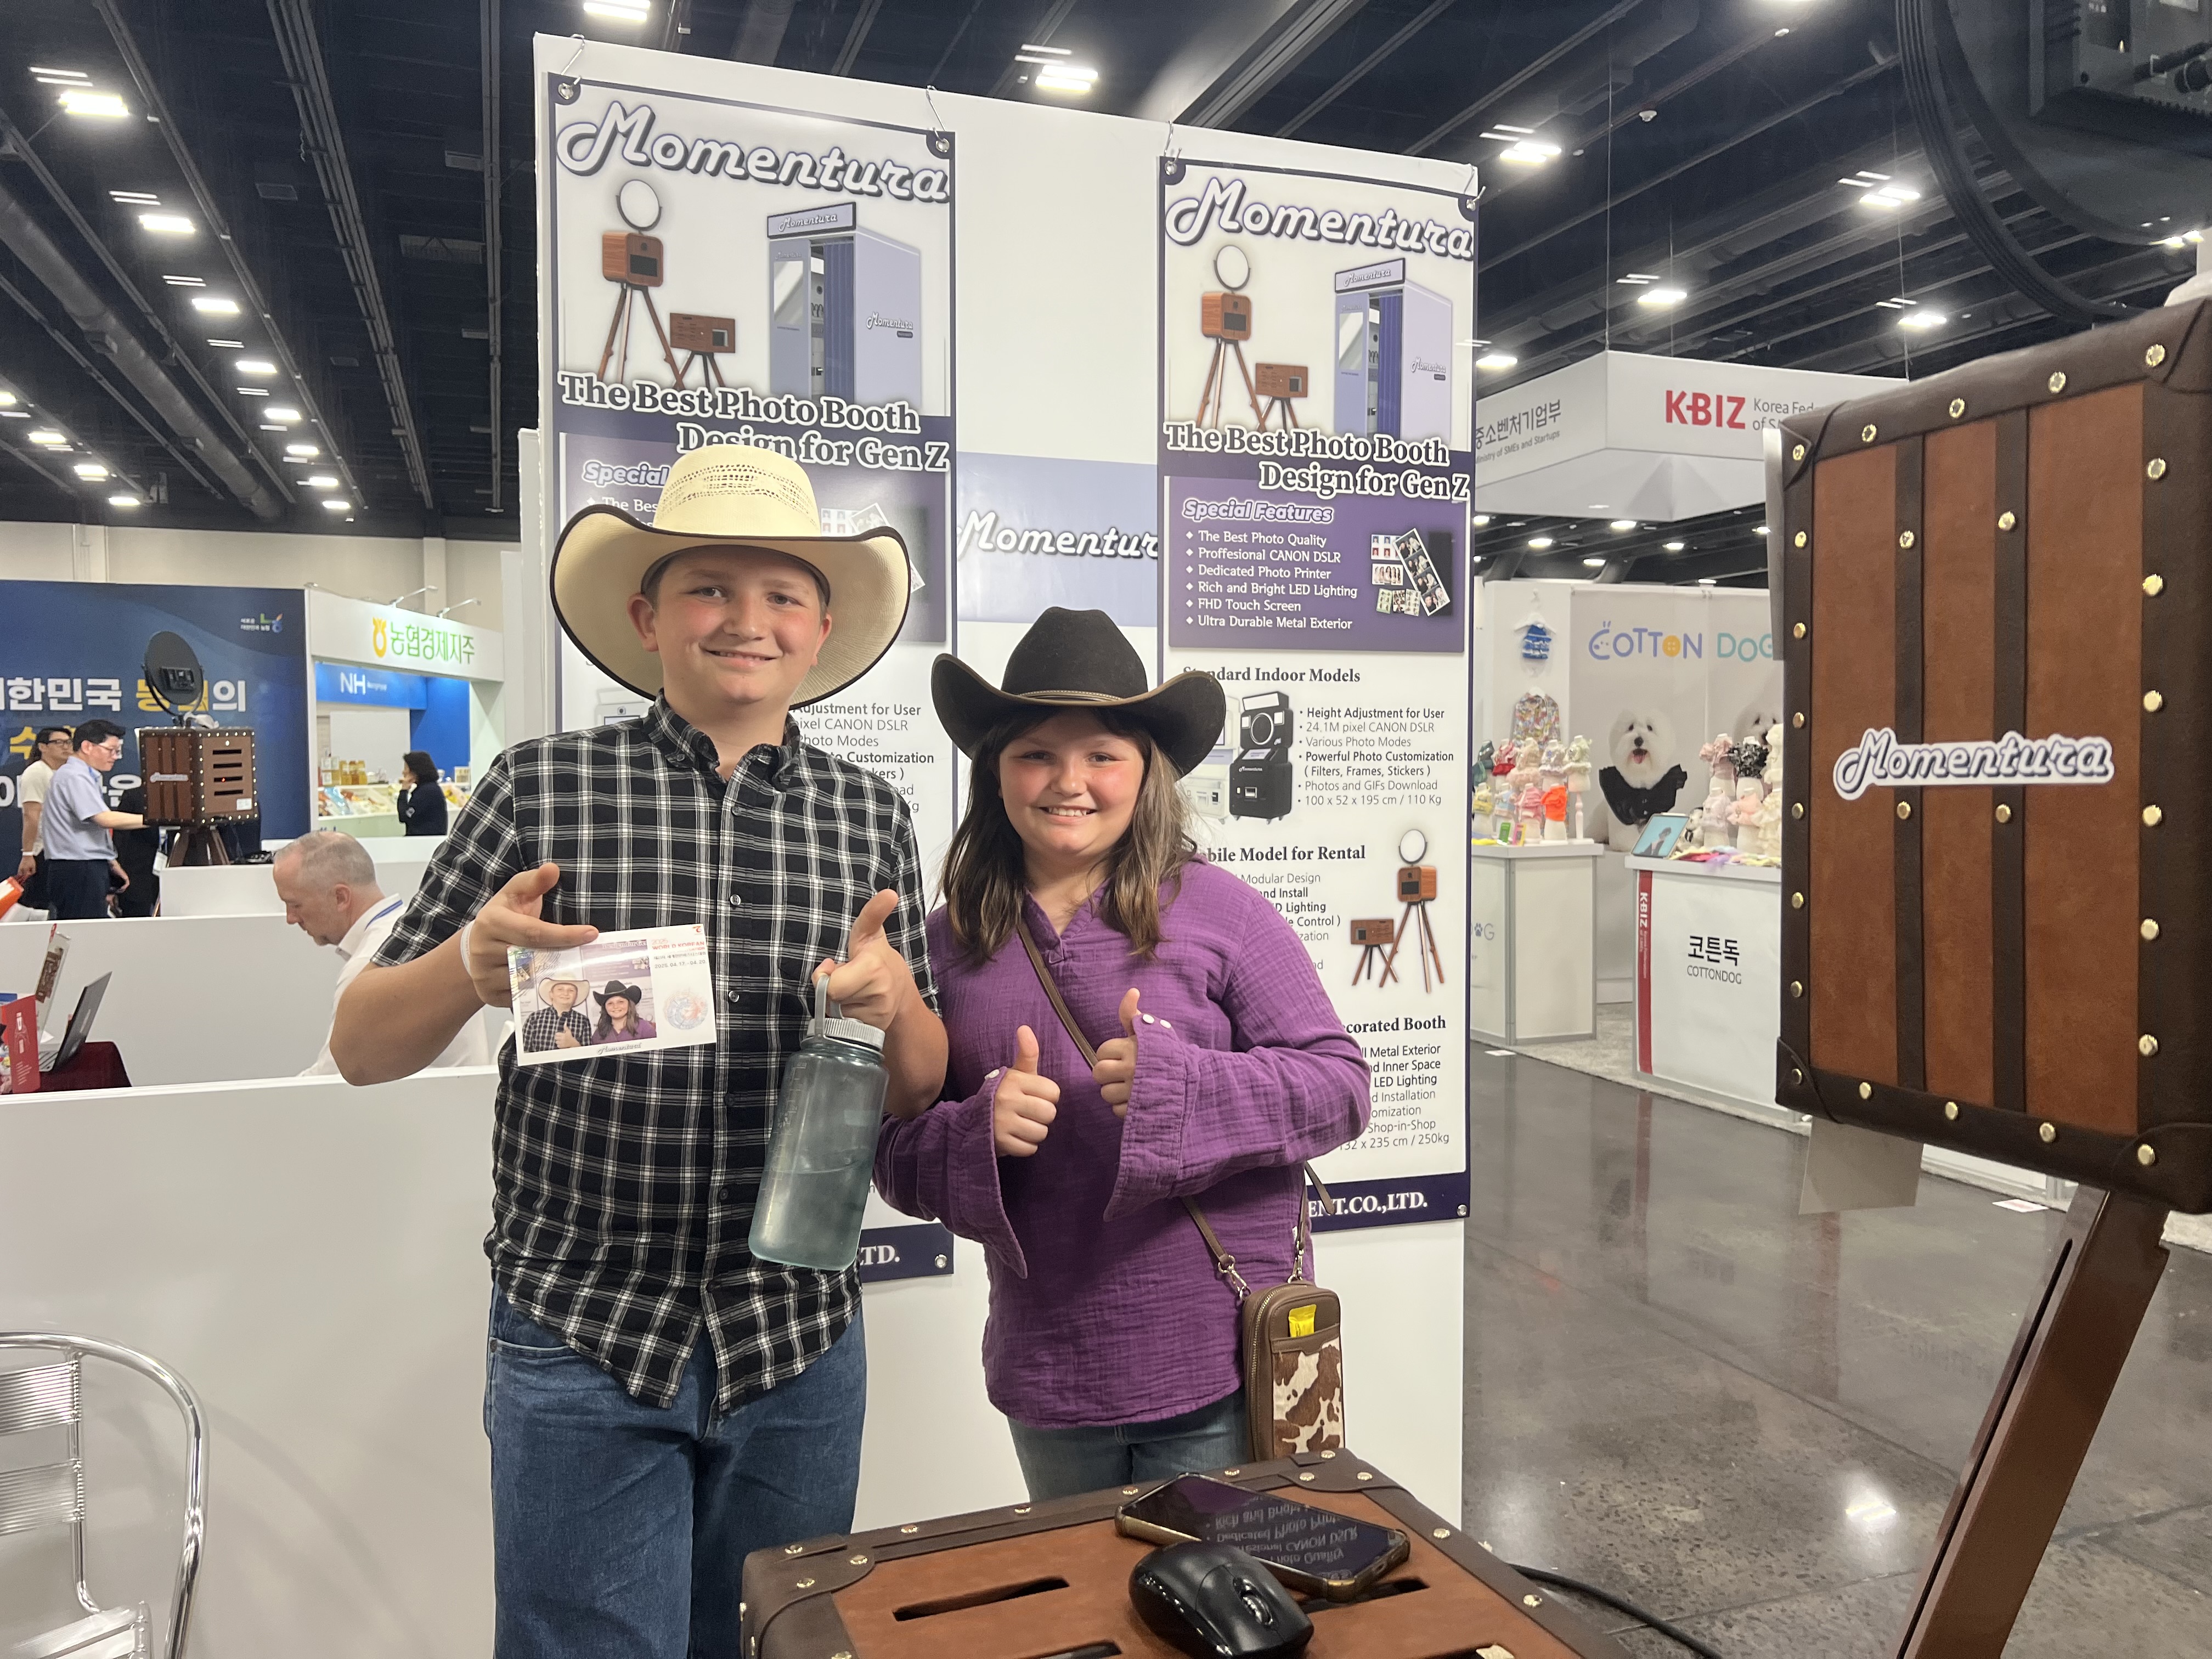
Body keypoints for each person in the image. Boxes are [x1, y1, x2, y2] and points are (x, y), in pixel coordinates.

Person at [328, 443, 946, 1659]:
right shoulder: (538, 789)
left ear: (820, 630)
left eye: (782, 595)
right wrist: (469, 966)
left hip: (796, 1333)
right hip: (583, 1327)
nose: (747, 620)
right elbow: (361, 1047)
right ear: (648, 616)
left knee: (777, 1646)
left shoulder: (870, 814)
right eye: (710, 587)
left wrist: (897, 1010)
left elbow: (919, 1084)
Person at [875, 608, 1370, 1502]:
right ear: (996, 771)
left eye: (1101, 754)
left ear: (1146, 772)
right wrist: (975, 1130)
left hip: (1218, 1355)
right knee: (1085, 1585)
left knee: (1215, 1587)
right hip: (1048, 1370)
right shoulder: (944, 944)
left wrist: (1184, 1087)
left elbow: (1340, 1088)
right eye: (1036, 753)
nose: (1069, 782)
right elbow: (892, 1155)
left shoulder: (1222, 911)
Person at [277, 830, 488, 1078]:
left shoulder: (371, 966)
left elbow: (332, 1080)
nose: (291, 918)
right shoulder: (418, 934)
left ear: (341, 897)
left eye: (295, 905)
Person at [39, 720, 145, 922]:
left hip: (84, 866)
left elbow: (92, 827)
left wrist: (110, 861)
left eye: (118, 751)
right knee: (82, 932)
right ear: (87, 747)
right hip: (76, 868)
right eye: (111, 750)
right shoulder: (74, 776)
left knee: (88, 929)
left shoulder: (84, 775)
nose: (116, 757)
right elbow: (102, 818)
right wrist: (154, 819)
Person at [12, 725, 71, 915]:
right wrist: (28, 854)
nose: (66, 747)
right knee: (38, 909)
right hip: (44, 852)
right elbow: (31, 815)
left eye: (69, 742)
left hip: (64, 850)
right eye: (59, 742)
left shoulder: (65, 773)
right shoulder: (37, 772)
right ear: (43, 747)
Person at [111, 784, 162, 918]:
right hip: (137, 880)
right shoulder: (134, 797)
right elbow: (120, 842)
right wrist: (115, 883)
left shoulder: (187, 798)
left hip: (174, 875)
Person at [520, 973, 592, 1052]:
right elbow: (523, 1052)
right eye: (560, 989)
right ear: (551, 994)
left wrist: (574, 1045)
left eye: (571, 990)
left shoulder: (583, 1021)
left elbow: (588, 1056)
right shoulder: (534, 1018)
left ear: (576, 996)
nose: (566, 993)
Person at [397, 749, 449, 837]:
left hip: (424, 842)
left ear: (415, 771)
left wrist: (404, 791)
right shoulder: (428, 789)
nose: (404, 772)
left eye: (406, 768)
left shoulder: (427, 792)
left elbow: (404, 816)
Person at [591, 980, 656, 1043]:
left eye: (621, 1002)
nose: (615, 1007)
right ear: (605, 1008)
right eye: (610, 1003)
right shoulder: (598, 1036)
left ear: (629, 1004)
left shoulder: (645, 1029)